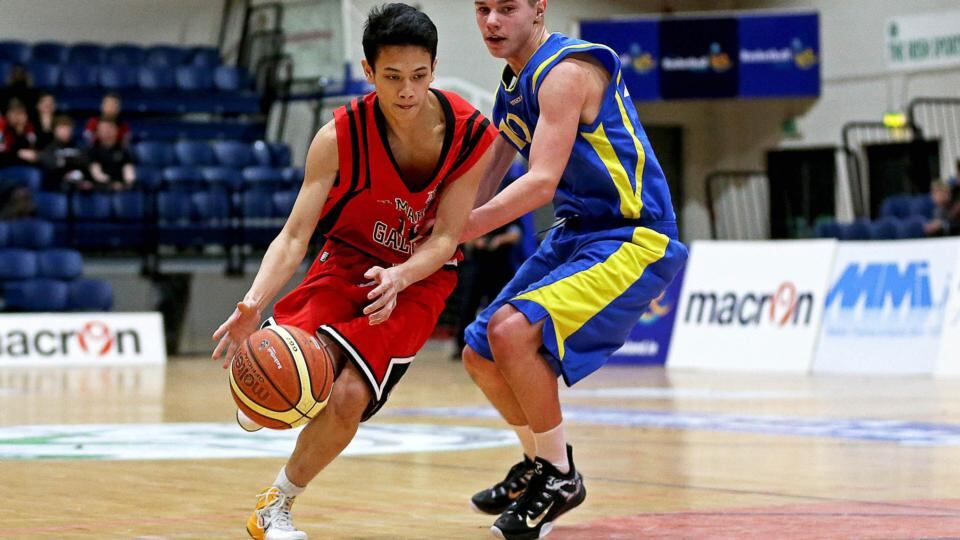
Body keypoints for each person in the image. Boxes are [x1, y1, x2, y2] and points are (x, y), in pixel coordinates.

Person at [210, 4, 497, 539]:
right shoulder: (338, 136)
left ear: (434, 68)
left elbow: (445, 238)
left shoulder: (470, 134)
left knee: (345, 395)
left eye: (419, 76)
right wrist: (252, 301)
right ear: (368, 72)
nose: (407, 90)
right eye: (392, 78)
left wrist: (402, 277)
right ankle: (274, 388)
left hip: (421, 275)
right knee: (291, 365)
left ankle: (274, 505)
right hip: (348, 257)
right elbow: (295, 234)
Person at [463, 1, 688, 538]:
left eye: (507, 7)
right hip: (576, 231)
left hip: (633, 233)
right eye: (482, 9)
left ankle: (560, 476)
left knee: (512, 332)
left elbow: (539, 183)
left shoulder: (564, 72)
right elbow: (491, 169)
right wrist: (432, 229)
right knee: (480, 352)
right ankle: (541, 463)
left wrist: (457, 232)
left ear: (539, 7)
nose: (493, 21)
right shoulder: (514, 84)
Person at [37, 115, 89, 191]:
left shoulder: (79, 146)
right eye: (62, 128)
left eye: (68, 128)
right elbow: (51, 165)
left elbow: (85, 162)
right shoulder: (49, 148)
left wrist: (65, 162)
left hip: (79, 185)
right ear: (54, 131)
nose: (65, 131)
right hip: (57, 186)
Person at [86, 119, 135, 190]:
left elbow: (129, 172)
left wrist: (127, 184)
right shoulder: (93, 151)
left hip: (121, 188)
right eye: (104, 129)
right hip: (101, 189)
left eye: (110, 128)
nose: (107, 132)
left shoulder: (122, 150)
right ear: (98, 132)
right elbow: (97, 174)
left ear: (116, 130)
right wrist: (112, 184)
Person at [0, 99, 38, 167]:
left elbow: (32, 149)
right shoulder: (2, 125)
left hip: (24, 165)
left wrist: (20, 130)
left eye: (21, 113)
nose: (18, 117)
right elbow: (3, 149)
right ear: (8, 115)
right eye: (15, 113)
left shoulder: (29, 127)